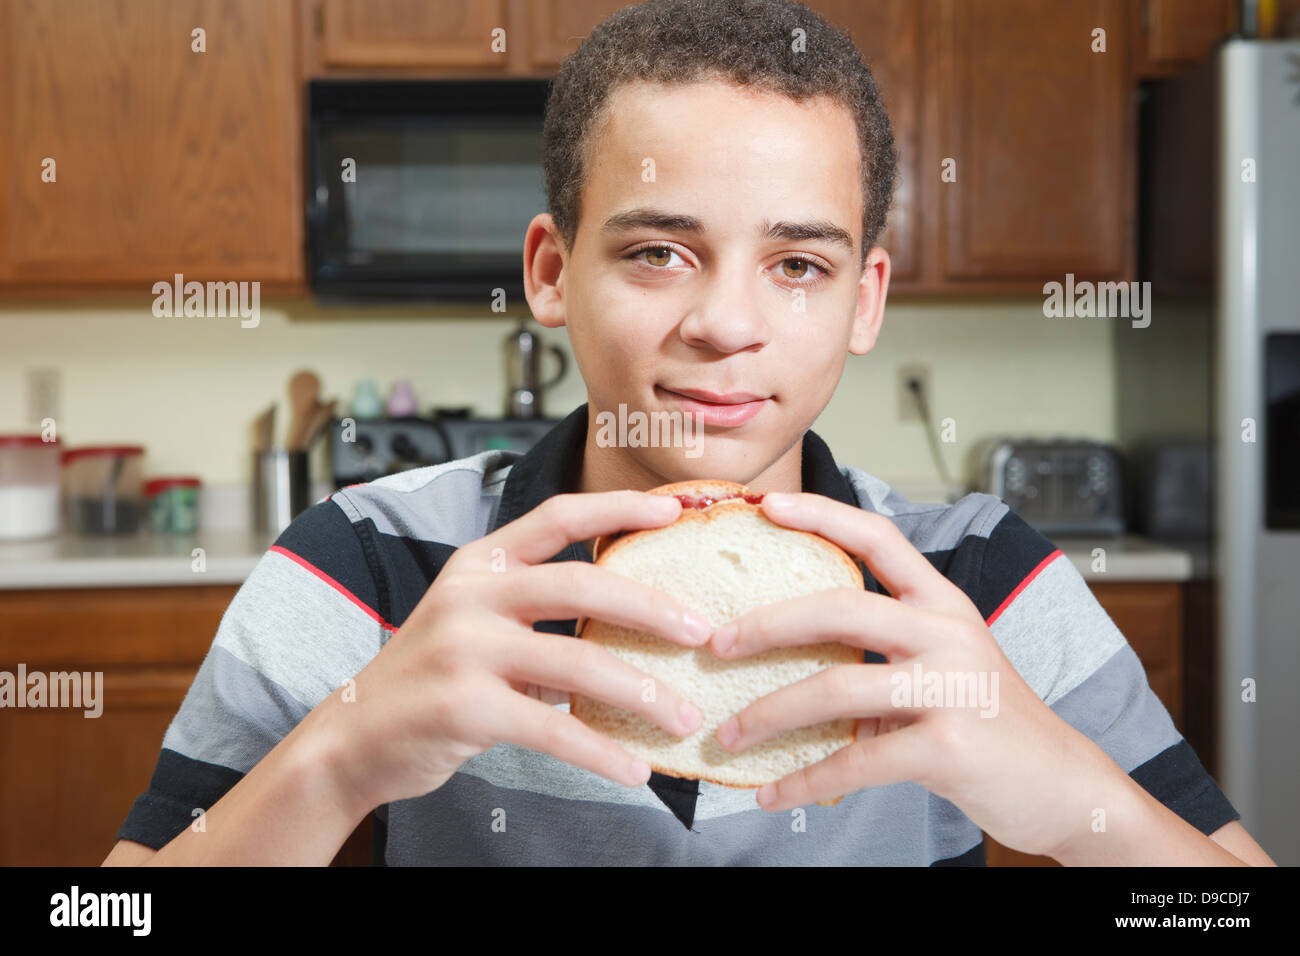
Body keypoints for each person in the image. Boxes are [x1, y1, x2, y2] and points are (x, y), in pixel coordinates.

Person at [102, 0, 1272, 866]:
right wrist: (339, 758)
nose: (723, 323)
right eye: (658, 250)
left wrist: (1073, 796)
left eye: (797, 264)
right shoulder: (363, 559)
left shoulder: (978, 575)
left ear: (864, 300)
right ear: (552, 272)